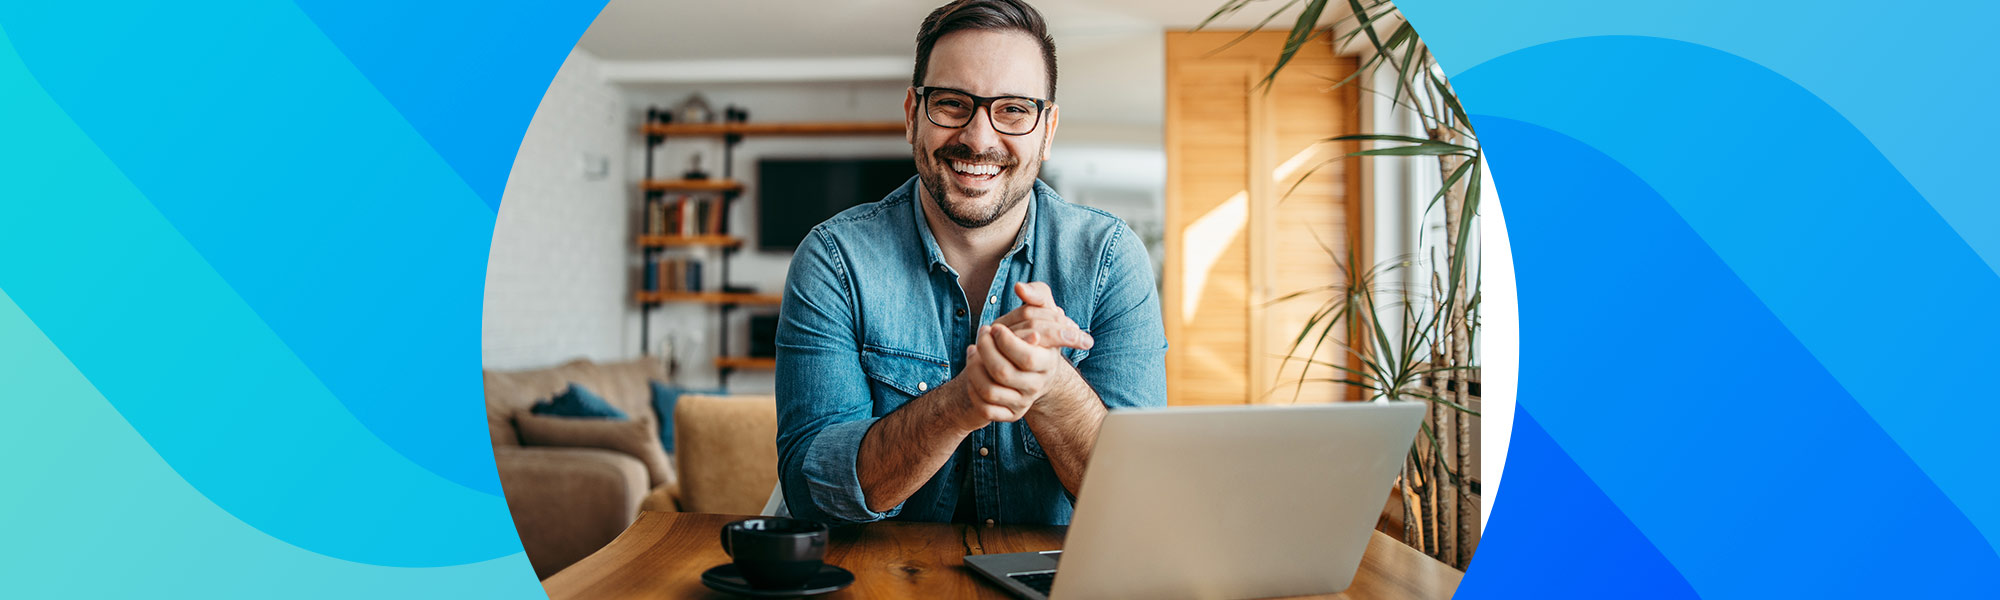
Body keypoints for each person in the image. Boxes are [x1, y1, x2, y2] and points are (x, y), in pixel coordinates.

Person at [774, 0, 1166, 526]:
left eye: (1013, 110)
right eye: (954, 104)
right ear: (914, 115)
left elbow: (1140, 503)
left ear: (1046, 130)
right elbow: (813, 495)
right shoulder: (833, 260)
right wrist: (961, 402)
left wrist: (1052, 386)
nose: (979, 138)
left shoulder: (1111, 259)